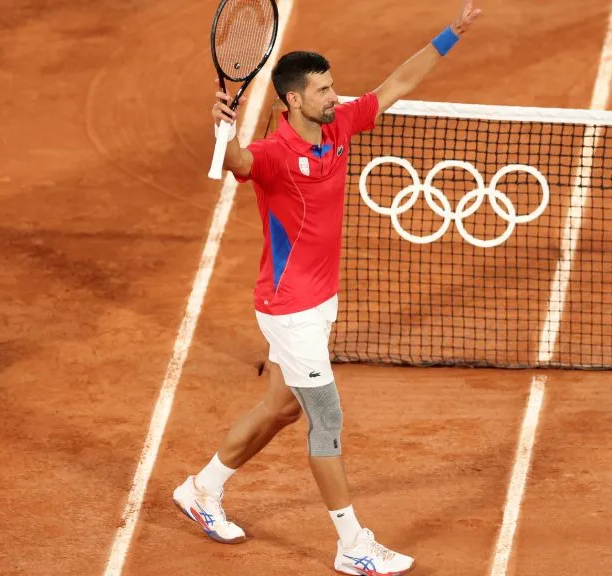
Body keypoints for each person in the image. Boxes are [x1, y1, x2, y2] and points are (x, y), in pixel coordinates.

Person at [172, 2, 482, 574]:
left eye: (333, 86)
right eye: (322, 90)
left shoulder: (339, 124)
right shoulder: (271, 156)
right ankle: (353, 545)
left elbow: (395, 85)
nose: (334, 96)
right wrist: (222, 125)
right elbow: (236, 159)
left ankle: (200, 490)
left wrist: (451, 33)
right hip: (289, 310)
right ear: (293, 99)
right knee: (327, 420)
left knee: (282, 408)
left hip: (317, 303)